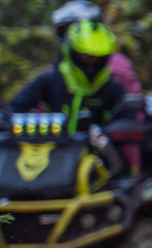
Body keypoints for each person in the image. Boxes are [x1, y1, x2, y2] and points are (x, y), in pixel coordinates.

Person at [11, 20, 138, 164]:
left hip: (94, 164)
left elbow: (127, 121)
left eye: (97, 57)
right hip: (47, 159)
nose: (91, 62)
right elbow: (17, 106)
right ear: (73, 52)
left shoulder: (112, 88)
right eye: (86, 57)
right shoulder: (51, 79)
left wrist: (104, 133)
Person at [49, 0, 142, 103]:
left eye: (75, 30)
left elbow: (134, 105)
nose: (69, 37)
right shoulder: (59, 68)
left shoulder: (116, 65)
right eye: (65, 31)